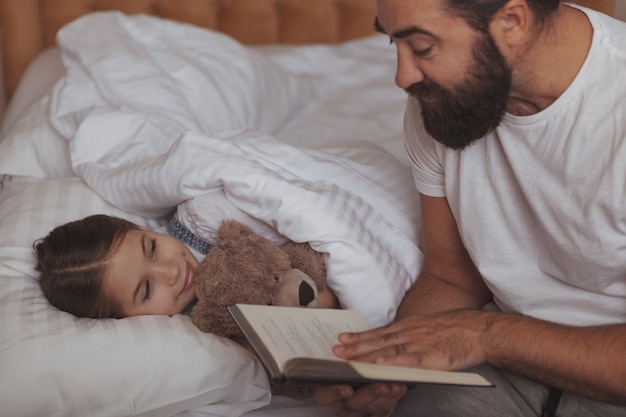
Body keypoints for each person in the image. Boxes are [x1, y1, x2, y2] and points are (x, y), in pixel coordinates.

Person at [315, 0, 626, 416]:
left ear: (511, 22)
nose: (402, 76)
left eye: (422, 48)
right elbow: (452, 276)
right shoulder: (442, 104)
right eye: (395, 44)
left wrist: (487, 334)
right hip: (507, 366)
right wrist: (388, 365)